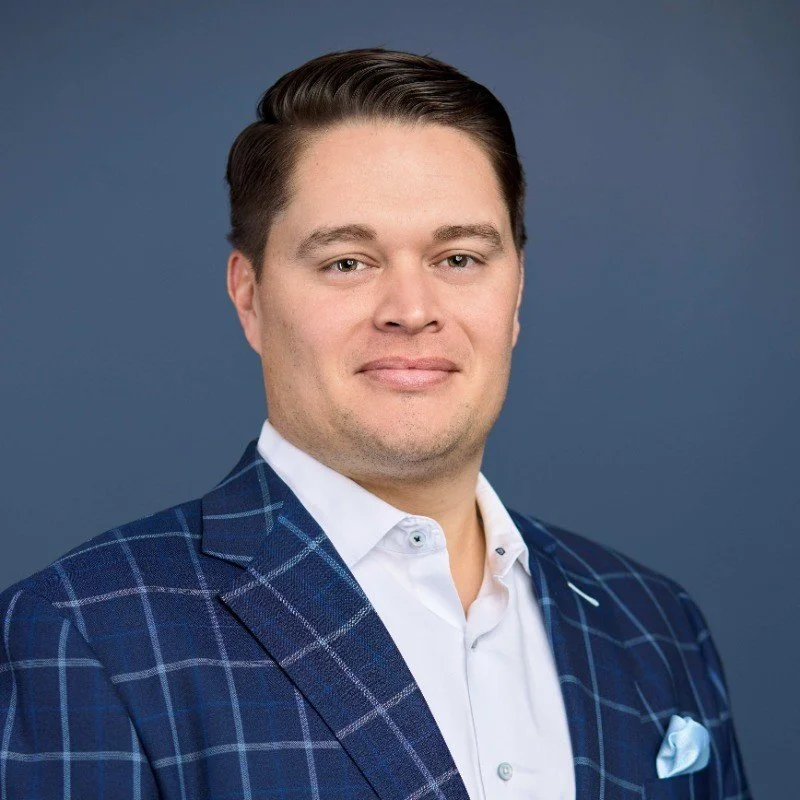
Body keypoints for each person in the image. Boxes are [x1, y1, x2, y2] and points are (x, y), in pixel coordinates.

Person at [0, 48, 750, 799]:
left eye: (458, 257)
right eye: (348, 263)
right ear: (250, 295)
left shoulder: (654, 622)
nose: (412, 309)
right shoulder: (86, 633)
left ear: (516, 291)